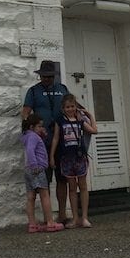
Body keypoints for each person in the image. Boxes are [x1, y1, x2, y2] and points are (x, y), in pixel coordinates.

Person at [21, 60, 70, 223]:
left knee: (62, 178)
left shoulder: (62, 89)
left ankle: (62, 214)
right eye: (43, 76)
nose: (46, 79)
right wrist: (29, 129)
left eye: (49, 76)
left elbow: (71, 107)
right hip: (43, 141)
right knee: (44, 179)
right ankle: (48, 217)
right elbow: (26, 111)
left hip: (62, 138)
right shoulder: (33, 91)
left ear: (53, 76)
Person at [50, 93, 98, 228]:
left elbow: (94, 131)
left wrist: (90, 116)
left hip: (79, 156)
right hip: (67, 157)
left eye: (72, 106)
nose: (70, 109)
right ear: (63, 108)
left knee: (83, 186)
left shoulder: (80, 120)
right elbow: (56, 138)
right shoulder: (60, 120)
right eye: (67, 107)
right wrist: (52, 156)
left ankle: (85, 217)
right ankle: (75, 218)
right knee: (71, 188)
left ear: (75, 107)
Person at [20, 114, 65, 233]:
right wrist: (35, 165)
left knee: (30, 197)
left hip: (28, 169)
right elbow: (31, 150)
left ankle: (32, 224)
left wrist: (42, 136)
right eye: (39, 126)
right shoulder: (33, 137)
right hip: (37, 168)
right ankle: (50, 222)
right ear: (31, 127)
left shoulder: (27, 136)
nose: (42, 128)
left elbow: (32, 147)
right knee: (45, 195)